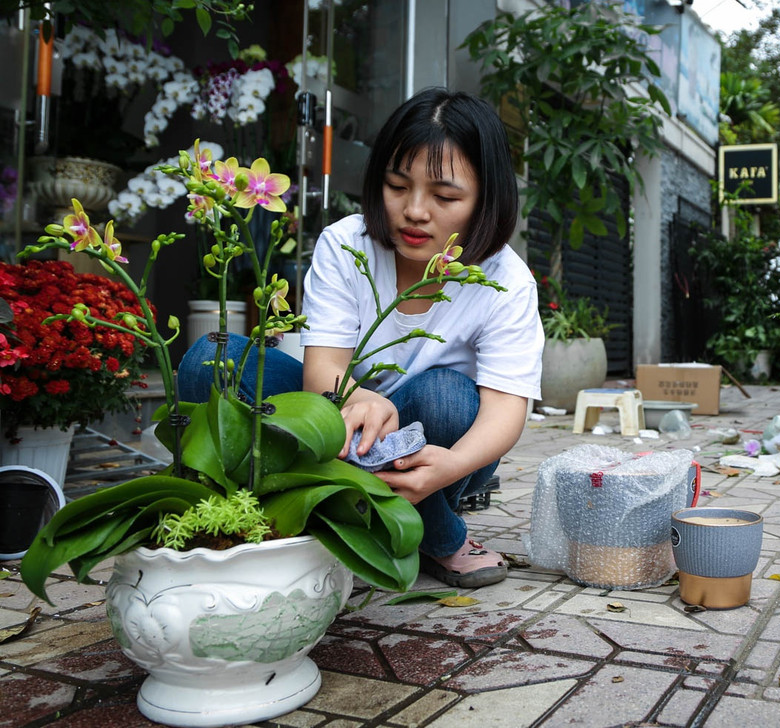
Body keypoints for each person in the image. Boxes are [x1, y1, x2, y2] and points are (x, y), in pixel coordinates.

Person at [179, 88, 544, 587]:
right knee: (212, 358)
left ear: (487, 199)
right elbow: (322, 372)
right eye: (397, 186)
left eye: (445, 197)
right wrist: (358, 398)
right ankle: (385, 527)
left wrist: (452, 464)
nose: (415, 211)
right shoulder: (346, 244)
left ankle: (424, 525)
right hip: (338, 424)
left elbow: (505, 410)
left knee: (445, 396)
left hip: (436, 447)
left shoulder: (506, 280)